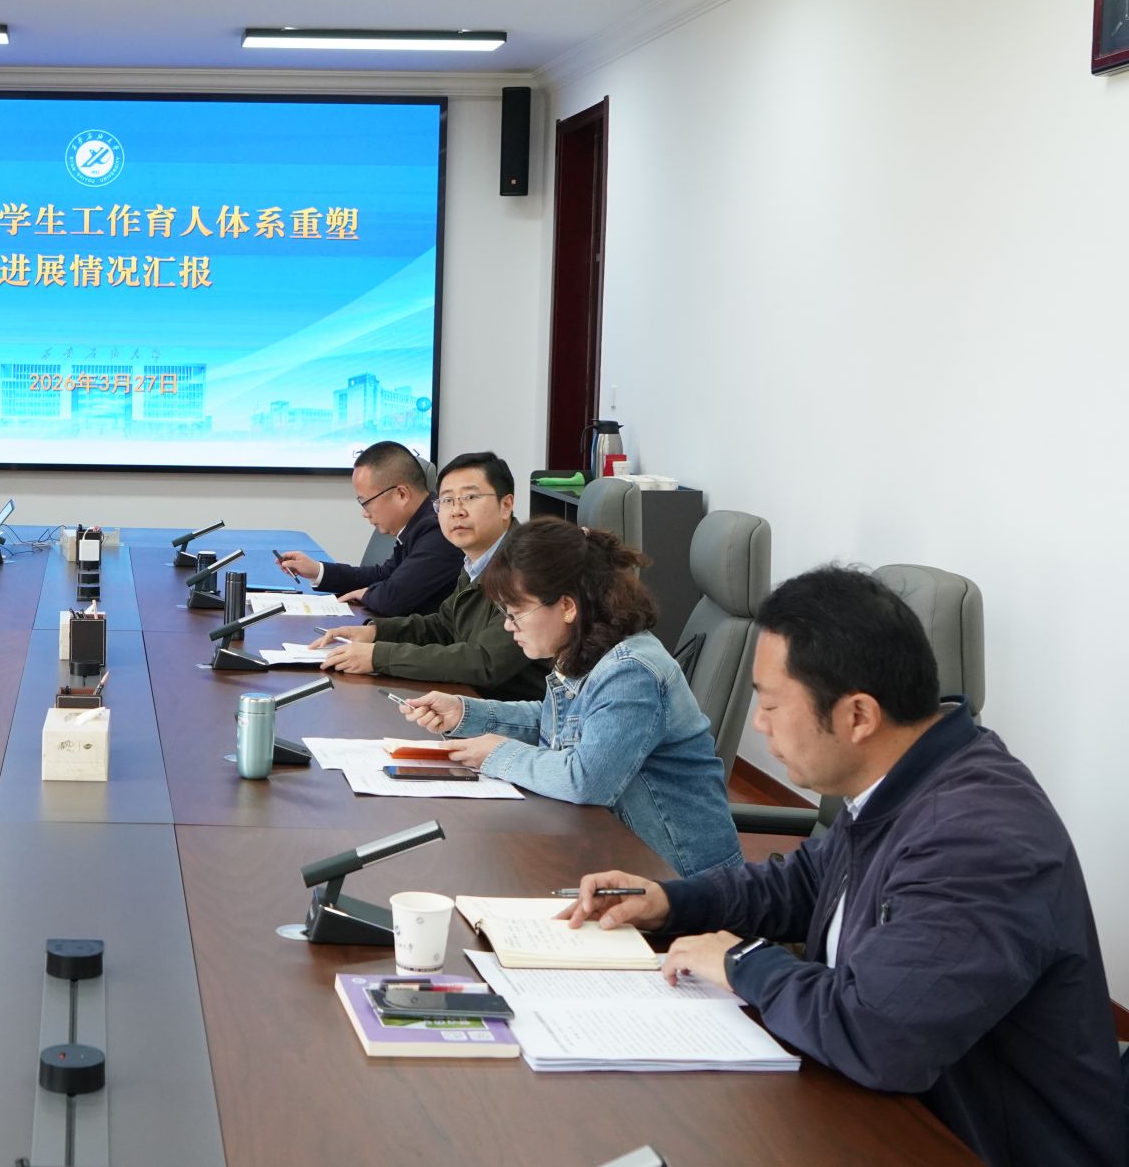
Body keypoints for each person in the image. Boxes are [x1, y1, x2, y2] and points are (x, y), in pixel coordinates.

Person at [564, 567, 1121, 1167]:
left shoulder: (977, 838)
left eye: (770, 703)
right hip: (878, 1108)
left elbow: (881, 1036)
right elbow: (807, 882)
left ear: (858, 716)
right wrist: (673, 902)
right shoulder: (908, 778)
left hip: (966, 1142)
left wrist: (740, 961)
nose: (758, 723)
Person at [397, 517, 740, 878]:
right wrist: (465, 713)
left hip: (683, 880)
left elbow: (585, 779)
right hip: (615, 855)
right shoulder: (587, 651)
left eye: (516, 613)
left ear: (567, 606)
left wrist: (497, 754)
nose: (509, 626)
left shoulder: (632, 672)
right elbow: (555, 721)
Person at [309, 451, 543, 698]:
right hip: (469, 700)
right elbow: (444, 626)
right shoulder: (476, 561)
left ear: (506, 505)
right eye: (447, 500)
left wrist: (379, 656)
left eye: (470, 497)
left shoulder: (529, 566)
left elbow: (485, 662)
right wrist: (375, 632)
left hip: (517, 713)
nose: (457, 511)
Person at [275, 440, 460, 617]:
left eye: (366, 502)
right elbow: (383, 576)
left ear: (401, 494)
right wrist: (317, 570)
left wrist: (365, 594)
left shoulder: (440, 531)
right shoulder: (419, 524)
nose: (365, 513)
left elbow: (393, 598)